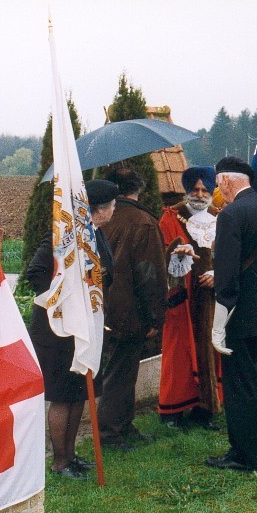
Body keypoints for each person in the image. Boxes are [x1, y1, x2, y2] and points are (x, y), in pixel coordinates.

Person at [27, 179, 117, 479]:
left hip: (86, 326)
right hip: (59, 330)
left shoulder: (96, 235)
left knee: (81, 391)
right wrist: (62, 305)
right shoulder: (62, 236)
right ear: (101, 210)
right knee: (63, 394)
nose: (115, 210)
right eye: (113, 206)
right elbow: (37, 273)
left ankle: (72, 455)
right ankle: (59, 461)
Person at [207, 156, 257, 472]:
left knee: (239, 387)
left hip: (239, 313)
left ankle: (243, 455)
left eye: (217, 182)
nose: (217, 189)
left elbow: (226, 274)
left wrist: (218, 323)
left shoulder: (231, 215)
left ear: (226, 180)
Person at [97, 167, 168, 450]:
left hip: (103, 305)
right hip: (129, 309)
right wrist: (155, 315)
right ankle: (111, 433)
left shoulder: (102, 218)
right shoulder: (143, 221)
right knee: (121, 372)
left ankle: (123, 426)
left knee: (120, 369)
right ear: (138, 188)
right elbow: (150, 273)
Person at [157, 166, 222, 430]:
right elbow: (161, 255)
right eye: (195, 189)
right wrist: (176, 254)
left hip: (211, 296)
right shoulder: (171, 218)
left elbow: (229, 253)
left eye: (205, 190)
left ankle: (204, 406)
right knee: (179, 352)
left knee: (210, 349)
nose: (199, 194)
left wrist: (218, 273)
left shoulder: (220, 218)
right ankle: (172, 409)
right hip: (181, 296)